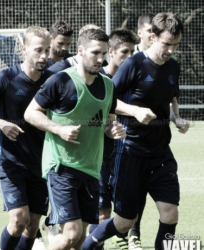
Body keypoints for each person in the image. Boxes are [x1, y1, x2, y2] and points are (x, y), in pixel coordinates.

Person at [82, 13, 191, 250]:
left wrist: (176, 117)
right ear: (153, 37)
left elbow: (172, 97)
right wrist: (135, 111)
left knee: (170, 214)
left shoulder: (173, 66)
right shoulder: (134, 64)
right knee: (124, 222)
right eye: (166, 44)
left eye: (175, 45)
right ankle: (87, 245)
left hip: (161, 152)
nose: (171, 50)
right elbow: (108, 100)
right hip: (130, 151)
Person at [24, 28, 126, 250]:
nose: (101, 59)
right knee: (72, 233)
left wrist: (114, 130)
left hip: (91, 169)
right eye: (95, 53)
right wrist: (58, 129)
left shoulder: (108, 85)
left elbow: (108, 122)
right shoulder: (60, 80)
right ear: (80, 51)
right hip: (61, 166)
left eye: (104, 53)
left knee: (78, 241)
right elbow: (30, 113)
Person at [0, 26, 51, 250]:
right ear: (24, 48)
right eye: (38, 50)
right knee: (19, 219)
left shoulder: (53, 80)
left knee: (33, 224)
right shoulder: (6, 78)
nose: (44, 56)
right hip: (11, 161)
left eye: (47, 50)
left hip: (43, 162)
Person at [87, 28, 138, 250]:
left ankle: (129, 237)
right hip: (98, 156)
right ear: (111, 52)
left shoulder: (132, 78)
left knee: (124, 210)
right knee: (101, 210)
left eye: (132, 52)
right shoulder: (100, 79)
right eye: (124, 52)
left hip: (124, 154)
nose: (129, 57)